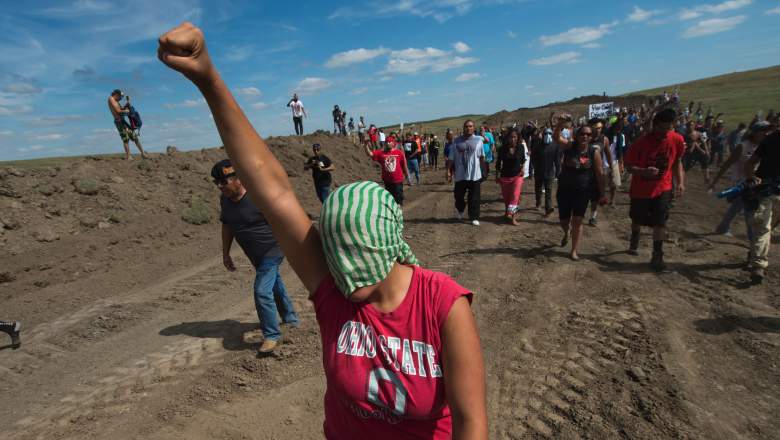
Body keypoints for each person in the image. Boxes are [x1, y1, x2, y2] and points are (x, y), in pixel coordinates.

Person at [158, 23, 487, 439]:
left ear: (386, 247)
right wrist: (208, 78)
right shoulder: (334, 291)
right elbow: (272, 190)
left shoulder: (442, 303)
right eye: (337, 260)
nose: (346, 280)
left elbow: (471, 423)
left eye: (357, 262)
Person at [212, 159, 300, 354]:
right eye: (215, 182)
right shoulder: (225, 200)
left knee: (261, 290)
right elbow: (226, 225)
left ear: (238, 179)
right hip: (254, 254)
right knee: (274, 284)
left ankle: (272, 335)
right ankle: (291, 318)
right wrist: (226, 253)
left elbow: (282, 216)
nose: (219, 186)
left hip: (273, 248)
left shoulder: (258, 196)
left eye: (223, 181)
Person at [624, 108, 686, 271]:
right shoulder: (640, 143)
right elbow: (629, 167)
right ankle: (635, 236)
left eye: (668, 128)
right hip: (640, 190)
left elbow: (678, 161)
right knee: (637, 219)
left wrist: (680, 181)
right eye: (661, 128)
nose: (664, 132)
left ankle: (657, 256)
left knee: (660, 221)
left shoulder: (677, 140)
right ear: (654, 125)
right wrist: (643, 171)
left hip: (663, 188)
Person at [709, 123, 772, 239]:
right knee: (749, 210)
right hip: (740, 183)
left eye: (768, 131)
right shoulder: (742, 146)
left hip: (754, 183)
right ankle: (751, 237)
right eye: (764, 131)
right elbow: (727, 164)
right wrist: (714, 181)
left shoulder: (765, 147)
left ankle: (722, 228)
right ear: (755, 132)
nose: (767, 134)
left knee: (738, 207)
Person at [555, 125, 606, 260]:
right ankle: (567, 232)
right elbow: (556, 139)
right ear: (577, 135)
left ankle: (574, 250)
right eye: (583, 134)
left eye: (588, 135)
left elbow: (600, 173)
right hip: (565, 189)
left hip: (583, 191)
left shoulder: (593, 152)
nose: (585, 137)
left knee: (578, 220)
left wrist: (602, 193)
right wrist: (558, 126)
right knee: (563, 220)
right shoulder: (569, 147)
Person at [742, 122, 780, 283]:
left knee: (769, 228)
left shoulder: (770, 139)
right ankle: (758, 265)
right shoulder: (771, 140)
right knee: (763, 227)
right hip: (767, 189)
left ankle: (755, 253)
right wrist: (751, 177)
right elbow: (750, 163)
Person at [449, 120, 485, 226]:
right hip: (460, 174)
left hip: (475, 174)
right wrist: (448, 171)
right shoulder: (456, 141)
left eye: (471, 126)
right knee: (458, 195)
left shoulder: (479, 140)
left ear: (474, 128)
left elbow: (481, 156)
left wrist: (483, 170)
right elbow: (451, 158)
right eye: (466, 126)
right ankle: (460, 210)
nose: (468, 128)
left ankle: (474, 216)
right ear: (463, 128)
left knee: (474, 197)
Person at [495, 128, 527, 225]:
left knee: (515, 196)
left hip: (517, 176)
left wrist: (523, 169)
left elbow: (523, 160)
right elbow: (498, 163)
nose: (513, 139)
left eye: (514, 137)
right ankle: (507, 213)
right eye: (511, 137)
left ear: (517, 138)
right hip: (505, 176)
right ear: (507, 138)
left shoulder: (521, 147)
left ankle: (513, 217)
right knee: (507, 198)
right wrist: (497, 175)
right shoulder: (502, 148)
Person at [365, 139, 409, 206]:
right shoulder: (381, 153)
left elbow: (404, 165)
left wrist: (407, 175)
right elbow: (370, 154)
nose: (388, 143)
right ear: (385, 144)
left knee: (398, 198)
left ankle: (399, 211)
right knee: (390, 198)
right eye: (387, 142)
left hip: (398, 180)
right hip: (387, 181)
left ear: (393, 143)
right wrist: (366, 146)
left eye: (390, 142)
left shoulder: (399, 153)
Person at [587, 118, 614, 226]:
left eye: (600, 128)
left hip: (597, 171)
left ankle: (593, 216)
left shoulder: (604, 139)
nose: (598, 130)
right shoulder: (584, 138)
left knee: (595, 195)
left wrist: (611, 167)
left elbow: (608, 154)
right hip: (584, 171)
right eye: (596, 128)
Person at [108, 89, 147, 160]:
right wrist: (126, 111)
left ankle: (143, 153)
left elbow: (121, 109)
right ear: (117, 95)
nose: (121, 98)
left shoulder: (116, 101)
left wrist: (127, 103)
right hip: (119, 122)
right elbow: (118, 111)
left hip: (123, 121)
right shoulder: (111, 99)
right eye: (120, 97)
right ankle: (129, 156)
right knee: (125, 139)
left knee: (134, 136)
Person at [531, 126, 558, 216]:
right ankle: (538, 203)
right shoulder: (537, 146)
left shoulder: (554, 146)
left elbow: (557, 161)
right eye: (546, 133)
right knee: (538, 189)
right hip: (539, 172)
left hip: (550, 173)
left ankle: (548, 209)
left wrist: (558, 172)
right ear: (542, 135)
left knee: (548, 191)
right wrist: (535, 168)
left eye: (549, 133)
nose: (547, 135)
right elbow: (533, 158)